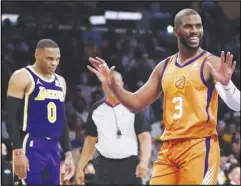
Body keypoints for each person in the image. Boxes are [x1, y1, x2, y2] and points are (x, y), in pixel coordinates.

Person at [87, 8, 240, 184]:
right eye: (188, 26)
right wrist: (113, 86)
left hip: (199, 145)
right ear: (176, 31)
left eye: (198, 26)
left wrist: (227, 85)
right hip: (169, 147)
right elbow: (136, 102)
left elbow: (236, 105)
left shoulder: (210, 62)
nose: (195, 31)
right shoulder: (163, 67)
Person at [6, 39, 75, 184]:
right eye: (50, 59)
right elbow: (10, 116)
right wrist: (17, 151)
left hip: (54, 147)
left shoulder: (60, 81)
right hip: (31, 143)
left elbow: (61, 120)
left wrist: (68, 154)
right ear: (37, 55)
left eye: (57, 59)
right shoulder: (22, 77)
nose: (54, 63)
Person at [75, 71, 152, 184]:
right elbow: (90, 141)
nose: (111, 85)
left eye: (114, 82)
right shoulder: (96, 109)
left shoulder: (133, 105)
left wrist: (144, 162)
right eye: (107, 82)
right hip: (104, 166)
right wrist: (80, 168)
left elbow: (145, 137)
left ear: (121, 84)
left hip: (130, 165)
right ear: (103, 86)